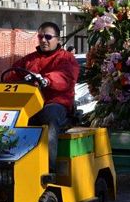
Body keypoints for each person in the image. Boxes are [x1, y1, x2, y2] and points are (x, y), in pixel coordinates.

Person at [6, 22, 80, 170]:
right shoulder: (29, 59)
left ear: (57, 39)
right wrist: (13, 79)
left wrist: (46, 80)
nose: (43, 40)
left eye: (48, 36)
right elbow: (12, 74)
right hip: (30, 104)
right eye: (40, 36)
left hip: (56, 103)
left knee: (49, 116)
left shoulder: (66, 58)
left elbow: (65, 77)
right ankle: (9, 163)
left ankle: (48, 169)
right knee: (9, 118)